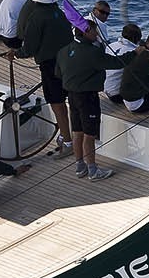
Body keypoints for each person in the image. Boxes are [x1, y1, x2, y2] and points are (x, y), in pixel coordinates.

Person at [57, 14, 138, 180]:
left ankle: (80, 167)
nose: (97, 35)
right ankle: (93, 171)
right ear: (85, 32)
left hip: (72, 96)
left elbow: (58, 73)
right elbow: (117, 63)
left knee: (77, 131)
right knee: (89, 134)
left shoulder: (64, 50)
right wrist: (135, 53)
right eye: (94, 32)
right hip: (88, 98)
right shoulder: (92, 52)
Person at [16, 0, 75, 161]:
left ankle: (67, 142)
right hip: (67, 62)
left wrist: (16, 54)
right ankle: (69, 136)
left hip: (50, 66)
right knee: (69, 100)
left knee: (57, 103)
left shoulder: (37, 17)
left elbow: (30, 47)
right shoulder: (60, 13)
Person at [103, 22, 142, 103]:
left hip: (106, 90)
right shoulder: (133, 52)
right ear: (137, 38)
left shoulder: (110, 46)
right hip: (117, 96)